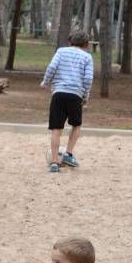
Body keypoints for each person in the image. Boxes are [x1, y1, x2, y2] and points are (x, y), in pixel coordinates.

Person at [40, 30, 94, 173]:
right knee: (76, 125)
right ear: (86, 44)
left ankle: (54, 163)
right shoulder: (87, 57)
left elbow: (51, 68)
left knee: (56, 129)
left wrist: (45, 82)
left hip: (58, 94)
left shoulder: (61, 51)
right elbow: (88, 79)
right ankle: (68, 154)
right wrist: (85, 95)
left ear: (70, 42)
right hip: (75, 95)